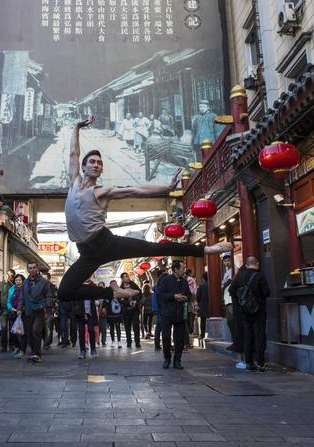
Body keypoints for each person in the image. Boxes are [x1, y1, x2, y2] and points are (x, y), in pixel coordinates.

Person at [57, 116, 232, 304]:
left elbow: (136, 190)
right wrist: (76, 127)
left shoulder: (101, 191)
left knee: (154, 247)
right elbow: (73, 154)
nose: (96, 165)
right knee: (64, 292)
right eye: (92, 162)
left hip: (104, 243)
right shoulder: (74, 182)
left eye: (99, 163)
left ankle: (206, 249)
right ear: (83, 167)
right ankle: (112, 292)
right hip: (86, 252)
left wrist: (165, 189)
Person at [229, 257, 271, 372]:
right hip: (259, 310)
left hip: (244, 311)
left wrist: (241, 300)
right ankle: (260, 363)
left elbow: (231, 289)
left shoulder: (240, 276)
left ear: (246, 265)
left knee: (248, 335)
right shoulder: (260, 276)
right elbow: (267, 292)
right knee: (260, 336)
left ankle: (249, 362)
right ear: (256, 264)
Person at [157, 260, 191, 369]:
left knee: (179, 339)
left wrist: (185, 297)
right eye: (182, 268)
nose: (184, 270)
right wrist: (173, 296)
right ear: (176, 269)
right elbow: (160, 295)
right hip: (167, 313)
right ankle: (167, 358)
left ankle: (177, 360)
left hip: (180, 313)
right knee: (166, 337)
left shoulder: (184, 281)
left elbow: (189, 295)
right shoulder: (166, 280)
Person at [18, 262, 54, 363]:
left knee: (35, 331)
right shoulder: (25, 282)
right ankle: (34, 353)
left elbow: (49, 295)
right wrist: (19, 309)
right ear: (28, 269)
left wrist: (47, 308)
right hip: (28, 311)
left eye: (34, 267)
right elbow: (22, 297)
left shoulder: (43, 281)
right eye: (30, 268)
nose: (32, 269)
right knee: (29, 333)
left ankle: (37, 354)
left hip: (40, 310)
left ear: (37, 269)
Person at [120, 273, 142, 348]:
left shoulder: (133, 284)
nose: (127, 278)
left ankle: (137, 342)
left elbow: (140, 293)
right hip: (126, 310)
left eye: (127, 276)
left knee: (136, 326)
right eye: (125, 277)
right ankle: (129, 342)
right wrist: (129, 303)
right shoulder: (121, 288)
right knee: (127, 327)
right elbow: (120, 300)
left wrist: (136, 300)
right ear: (122, 279)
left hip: (135, 309)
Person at [7, 274, 27, 357]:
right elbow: (8, 301)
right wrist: (11, 308)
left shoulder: (26, 289)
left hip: (23, 313)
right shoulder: (11, 289)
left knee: (22, 333)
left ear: (23, 281)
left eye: (19, 280)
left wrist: (22, 309)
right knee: (13, 333)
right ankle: (17, 348)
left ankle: (22, 350)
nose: (18, 282)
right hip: (13, 313)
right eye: (16, 280)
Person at [0, 269, 15, 352]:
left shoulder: (14, 285)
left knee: (12, 329)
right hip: (3, 310)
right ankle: (3, 346)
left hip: (12, 309)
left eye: (11, 275)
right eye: (8, 274)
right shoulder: (1, 284)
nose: (9, 276)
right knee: (3, 329)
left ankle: (11, 345)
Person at [105, 282, 123, 348]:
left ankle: (119, 341)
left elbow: (121, 301)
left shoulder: (119, 292)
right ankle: (113, 341)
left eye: (115, 284)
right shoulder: (108, 293)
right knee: (111, 327)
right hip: (110, 313)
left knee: (118, 327)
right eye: (112, 284)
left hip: (118, 313)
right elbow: (106, 302)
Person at [43, 272, 57, 351]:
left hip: (49, 310)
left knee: (48, 328)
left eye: (45, 277)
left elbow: (56, 297)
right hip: (40, 309)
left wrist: (54, 306)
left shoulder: (53, 287)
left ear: (48, 278)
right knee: (41, 328)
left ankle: (47, 344)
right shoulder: (39, 286)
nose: (43, 279)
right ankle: (44, 341)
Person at [195, 272, 209, 348]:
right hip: (211, 306)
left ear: (203, 278)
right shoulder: (211, 285)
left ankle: (203, 335)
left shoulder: (201, 286)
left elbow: (197, 296)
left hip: (203, 306)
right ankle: (208, 333)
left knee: (203, 322)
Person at [151, 277, 162, 350]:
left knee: (158, 327)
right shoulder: (159, 289)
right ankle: (159, 344)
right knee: (162, 327)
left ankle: (157, 344)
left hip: (156, 308)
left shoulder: (156, 288)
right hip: (160, 309)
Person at [97, 282, 108, 346]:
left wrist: (104, 308)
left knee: (103, 329)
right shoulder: (96, 295)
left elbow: (108, 303)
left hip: (103, 315)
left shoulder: (106, 295)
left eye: (102, 286)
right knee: (97, 329)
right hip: (96, 314)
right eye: (99, 287)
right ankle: (97, 341)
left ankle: (103, 342)